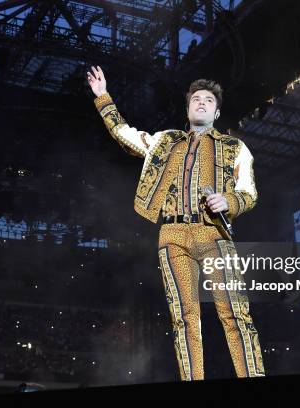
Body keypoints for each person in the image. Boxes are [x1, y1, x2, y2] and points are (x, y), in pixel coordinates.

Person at [86, 66, 265, 380]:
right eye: (196, 99)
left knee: (235, 313)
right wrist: (103, 98)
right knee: (184, 318)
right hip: (172, 235)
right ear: (187, 108)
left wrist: (230, 201)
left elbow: (249, 191)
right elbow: (125, 135)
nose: (201, 103)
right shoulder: (164, 142)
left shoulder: (235, 148)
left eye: (208, 100)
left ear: (216, 111)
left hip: (214, 234)